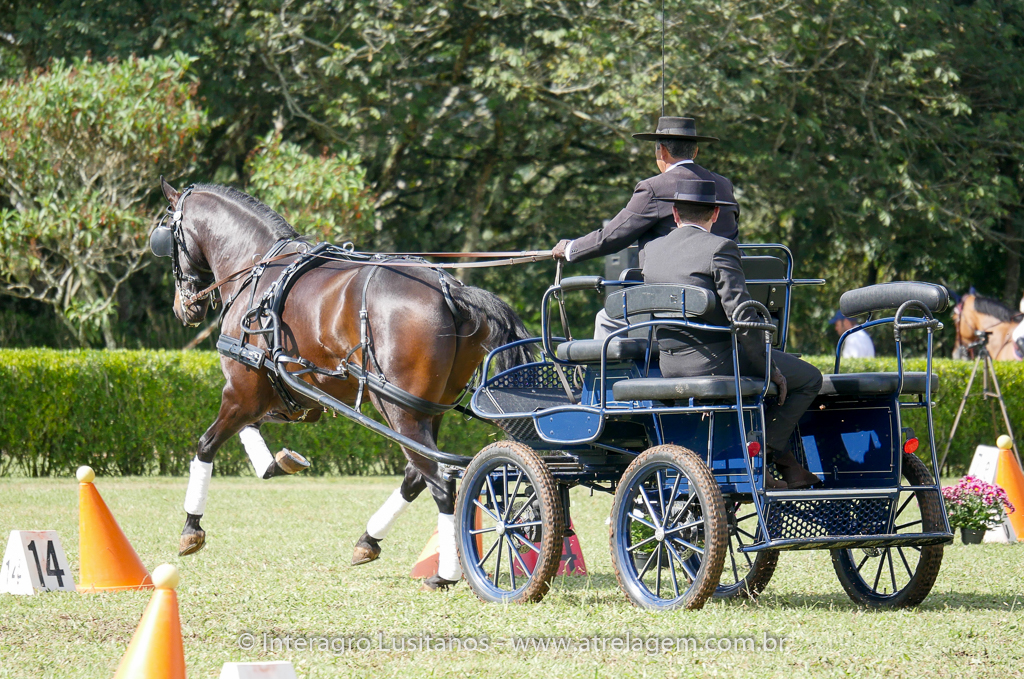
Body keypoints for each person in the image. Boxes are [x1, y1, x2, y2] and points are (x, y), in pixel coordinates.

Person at [642, 179, 822, 489]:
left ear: (674, 214)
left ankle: (784, 462)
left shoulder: (650, 251)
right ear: (714, 214)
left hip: (670, 364)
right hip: (717, 363)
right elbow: (744, 319)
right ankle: (767, 453)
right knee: (808, 378)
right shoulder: (720, 248)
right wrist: (770, 368)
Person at [551, 116, 739, 338]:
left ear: (661, 151)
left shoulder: (655, 188)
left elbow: (612, 236)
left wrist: (570, 249)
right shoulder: (724, 185)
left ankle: (605, 374)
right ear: (695, 151)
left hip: (674, 298)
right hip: (725, 294)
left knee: (605, 319)